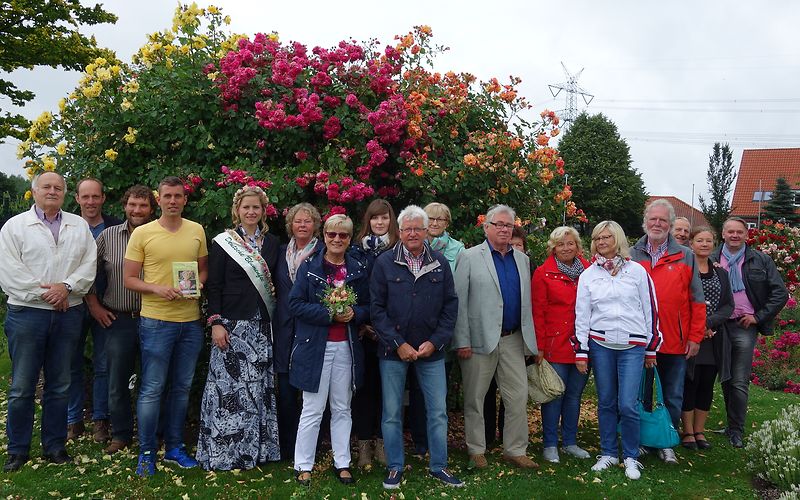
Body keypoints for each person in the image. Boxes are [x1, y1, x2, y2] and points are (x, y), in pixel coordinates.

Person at [0, 172, 97, 472]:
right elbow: (11, 274)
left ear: (65, 193)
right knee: (22, 386)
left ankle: (54, 446)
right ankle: (17, 450)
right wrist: (52, 294)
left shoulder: (78, 225)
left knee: (60, 384)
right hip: (27, 315)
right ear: (35, 191)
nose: (52, 191)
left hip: (68, 314)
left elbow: (88, 264)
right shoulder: (14, 227)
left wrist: (66, 287)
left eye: (58, 187)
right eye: (47, 187)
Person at [370, 205, 463, 489]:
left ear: (426, 232)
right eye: (407, 228)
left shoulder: (439, 262)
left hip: (430, 351)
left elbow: (450, 306)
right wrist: (398, 344)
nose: (412, 233)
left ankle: (439, 466)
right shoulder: (385, 263)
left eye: (418, 229)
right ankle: (395, 466)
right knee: (393, 412)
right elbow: (376, 308)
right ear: (400, 231)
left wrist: (435, 342)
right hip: (393, 352)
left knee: (437, 411)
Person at [123, 176, 208, 477]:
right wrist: (158, 289)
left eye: (178, 196)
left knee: (182, 388)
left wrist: (197, 286)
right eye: (167, 196)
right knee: (152, 389)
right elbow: (129, 279)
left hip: (190, 323)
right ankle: (146, 452)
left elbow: (203, 269)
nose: (173, 201)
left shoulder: (196, 230)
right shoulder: (143, 233)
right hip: (156, 322)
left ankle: (174, 447)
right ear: (158, 199)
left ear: (185, 199)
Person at [197, 185, 281, 470]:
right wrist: (216, 323)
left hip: (260, 326)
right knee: (228, 391)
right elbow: (215, 285)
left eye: (256, 207)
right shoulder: (223, 242)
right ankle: (224, 454)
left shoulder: (272, 244)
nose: (251, 212)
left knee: (256, 390)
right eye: (246, 207)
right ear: (237, 210)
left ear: (263, 210)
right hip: (231, 326)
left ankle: (256, 452)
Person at [573, 220, 660, 481]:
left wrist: (651, 347)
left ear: (618, 239)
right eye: (598, 238)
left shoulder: (637, 272)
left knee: (628, 404)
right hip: (601, 346)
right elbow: (582, 314)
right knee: (607, 402)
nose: (602, 242)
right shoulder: (589, 274)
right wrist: (581, 350)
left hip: (632, 347)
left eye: (607, 237)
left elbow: (650, 309)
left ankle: (631, 456)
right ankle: (609, 453)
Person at [452, 204, 538, 470]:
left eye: (508, 225)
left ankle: (515, 450)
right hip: (478, 340)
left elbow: (526, 304)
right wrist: (462, 340)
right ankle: (476, 449)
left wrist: (530, 342)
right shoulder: (469, 256)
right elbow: (459, 301)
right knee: (475, 398)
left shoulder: (522, 260)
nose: (503, 229)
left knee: (517, 396)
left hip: (513, 339)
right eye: (498, 224)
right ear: (486, 227)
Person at [290, 214, 369, 486]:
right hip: (315, 347)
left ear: (349, 239)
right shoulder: (310, 266)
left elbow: (370, 306)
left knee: (342, 407)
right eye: (332, 234)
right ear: (324, 236)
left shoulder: (358, 268)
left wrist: (354, 313)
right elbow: (295, 304)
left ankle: (343, 462)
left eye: (343, 235)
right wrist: (328, 313)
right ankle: (303, 464)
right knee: (312, 408)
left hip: (346, 348)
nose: (337, 240)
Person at [630, 199, 706, 465]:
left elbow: (697, 300)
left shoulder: (685, 256)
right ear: (645, 222)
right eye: (653, 219)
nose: (657, 224)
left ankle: (666, 441)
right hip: (638, 340)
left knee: (672, 394)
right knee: (638, 393)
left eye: (663, 220)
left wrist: (695, 336)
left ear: (671, 225)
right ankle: (639, 440)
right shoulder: (631, 254)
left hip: (674, 339)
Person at [84, 185, 157, 454]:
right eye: (133, 205)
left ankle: (154, 433)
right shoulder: (108, 236)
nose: (137, 210)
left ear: (152, 209)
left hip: (156, 318)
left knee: (155, 379)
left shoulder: (161, 234)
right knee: (116, 381)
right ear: (125, 206)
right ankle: (122, 434)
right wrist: (94, 306)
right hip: (120, 319)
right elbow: (88, 273)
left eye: (143, 205)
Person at [711, 217, 788, 448]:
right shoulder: (712, 258)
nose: (735, 236)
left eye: (739, 232)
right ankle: (728, 424)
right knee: (725, 378)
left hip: (744, 326)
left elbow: (780, 293)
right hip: (717, 326)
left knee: (739, 380)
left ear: (747, 235)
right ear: (723, 234)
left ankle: (736, 430)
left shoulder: (760, 260)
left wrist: (758, 316)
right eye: (730, 232)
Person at [67, 178, 122, 443]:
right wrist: (91, 303)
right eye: (85, 197)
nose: (90, 202)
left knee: (103, 365)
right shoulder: (66, 227)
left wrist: (100, 304)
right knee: (71, 365)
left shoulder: (115, 227)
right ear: (77, 199)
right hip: (73, 304)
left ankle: (101, 420)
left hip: (108, 305)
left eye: (95, 196)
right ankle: (73, 420)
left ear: (103, 198)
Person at [532, 226, 591, 463]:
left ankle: (569, 442)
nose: (566, 248)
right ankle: (549, 444)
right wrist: (539, 346)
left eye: (570, 243)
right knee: (554, 395)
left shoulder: (589, 270)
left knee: (574, 396)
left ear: (577, 246)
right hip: (555, 345)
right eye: (561, 244)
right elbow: (538, 312)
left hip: (582, 345)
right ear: (553, 248)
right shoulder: (543, 273)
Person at [350, 199, 398, 467]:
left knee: (387, 392)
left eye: (384, 218)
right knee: (364, 390)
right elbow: (352, 289)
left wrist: (385, 327)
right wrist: (362, 322)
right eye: (374, 218)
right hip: (363, 331)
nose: (380, 223)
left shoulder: (399, 250)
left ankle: (384, 445)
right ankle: (364, 445)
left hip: (390, 333)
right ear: (367, 221)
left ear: (392, 221)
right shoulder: (357, 251)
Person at [273, 202, 323, 460]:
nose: (302, 225)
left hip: (312, 328)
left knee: (314, 392)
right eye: (298, 221)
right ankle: (287, 446)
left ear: (315, 225)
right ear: (290, 225)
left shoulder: (324, 253)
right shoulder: (280, 252)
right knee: (286, 391)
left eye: (308, 221)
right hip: (283, 328)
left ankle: (315, 445)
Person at [680, 226, 734, 450]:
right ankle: (687, 431)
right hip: (690, 336)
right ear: (691, 244)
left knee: (706, 384)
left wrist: (708, 325)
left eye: (708, 241)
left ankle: (700, 431)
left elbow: (728, 305)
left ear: (714, 245)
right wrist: (697, 327)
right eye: (699, 240)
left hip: (713, 338)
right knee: (689, 383)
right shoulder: (684, 269)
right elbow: (681, 300)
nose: (704, 244)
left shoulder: (721, 272)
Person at [424, 202, 464, 271]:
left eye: (440, 220)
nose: (435, 224)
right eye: (430, 219)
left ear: (447, 223)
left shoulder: (458, 249)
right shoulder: (413, 245)